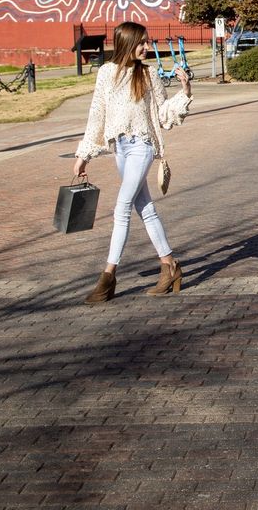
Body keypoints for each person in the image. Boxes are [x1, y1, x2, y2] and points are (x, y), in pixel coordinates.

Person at [73, 21, 192, 303]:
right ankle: (170, 266)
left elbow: (163, 115)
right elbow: (96, 115)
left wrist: (184, 92)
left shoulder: (149, 74)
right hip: (120, 149)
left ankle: (108, 276)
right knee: (145, 208)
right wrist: (84, 154)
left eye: (147, 42)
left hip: (143, 147)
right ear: (127, 43)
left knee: (122, 207)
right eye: (141, 43)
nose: (147, 47)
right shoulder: (106, 74)